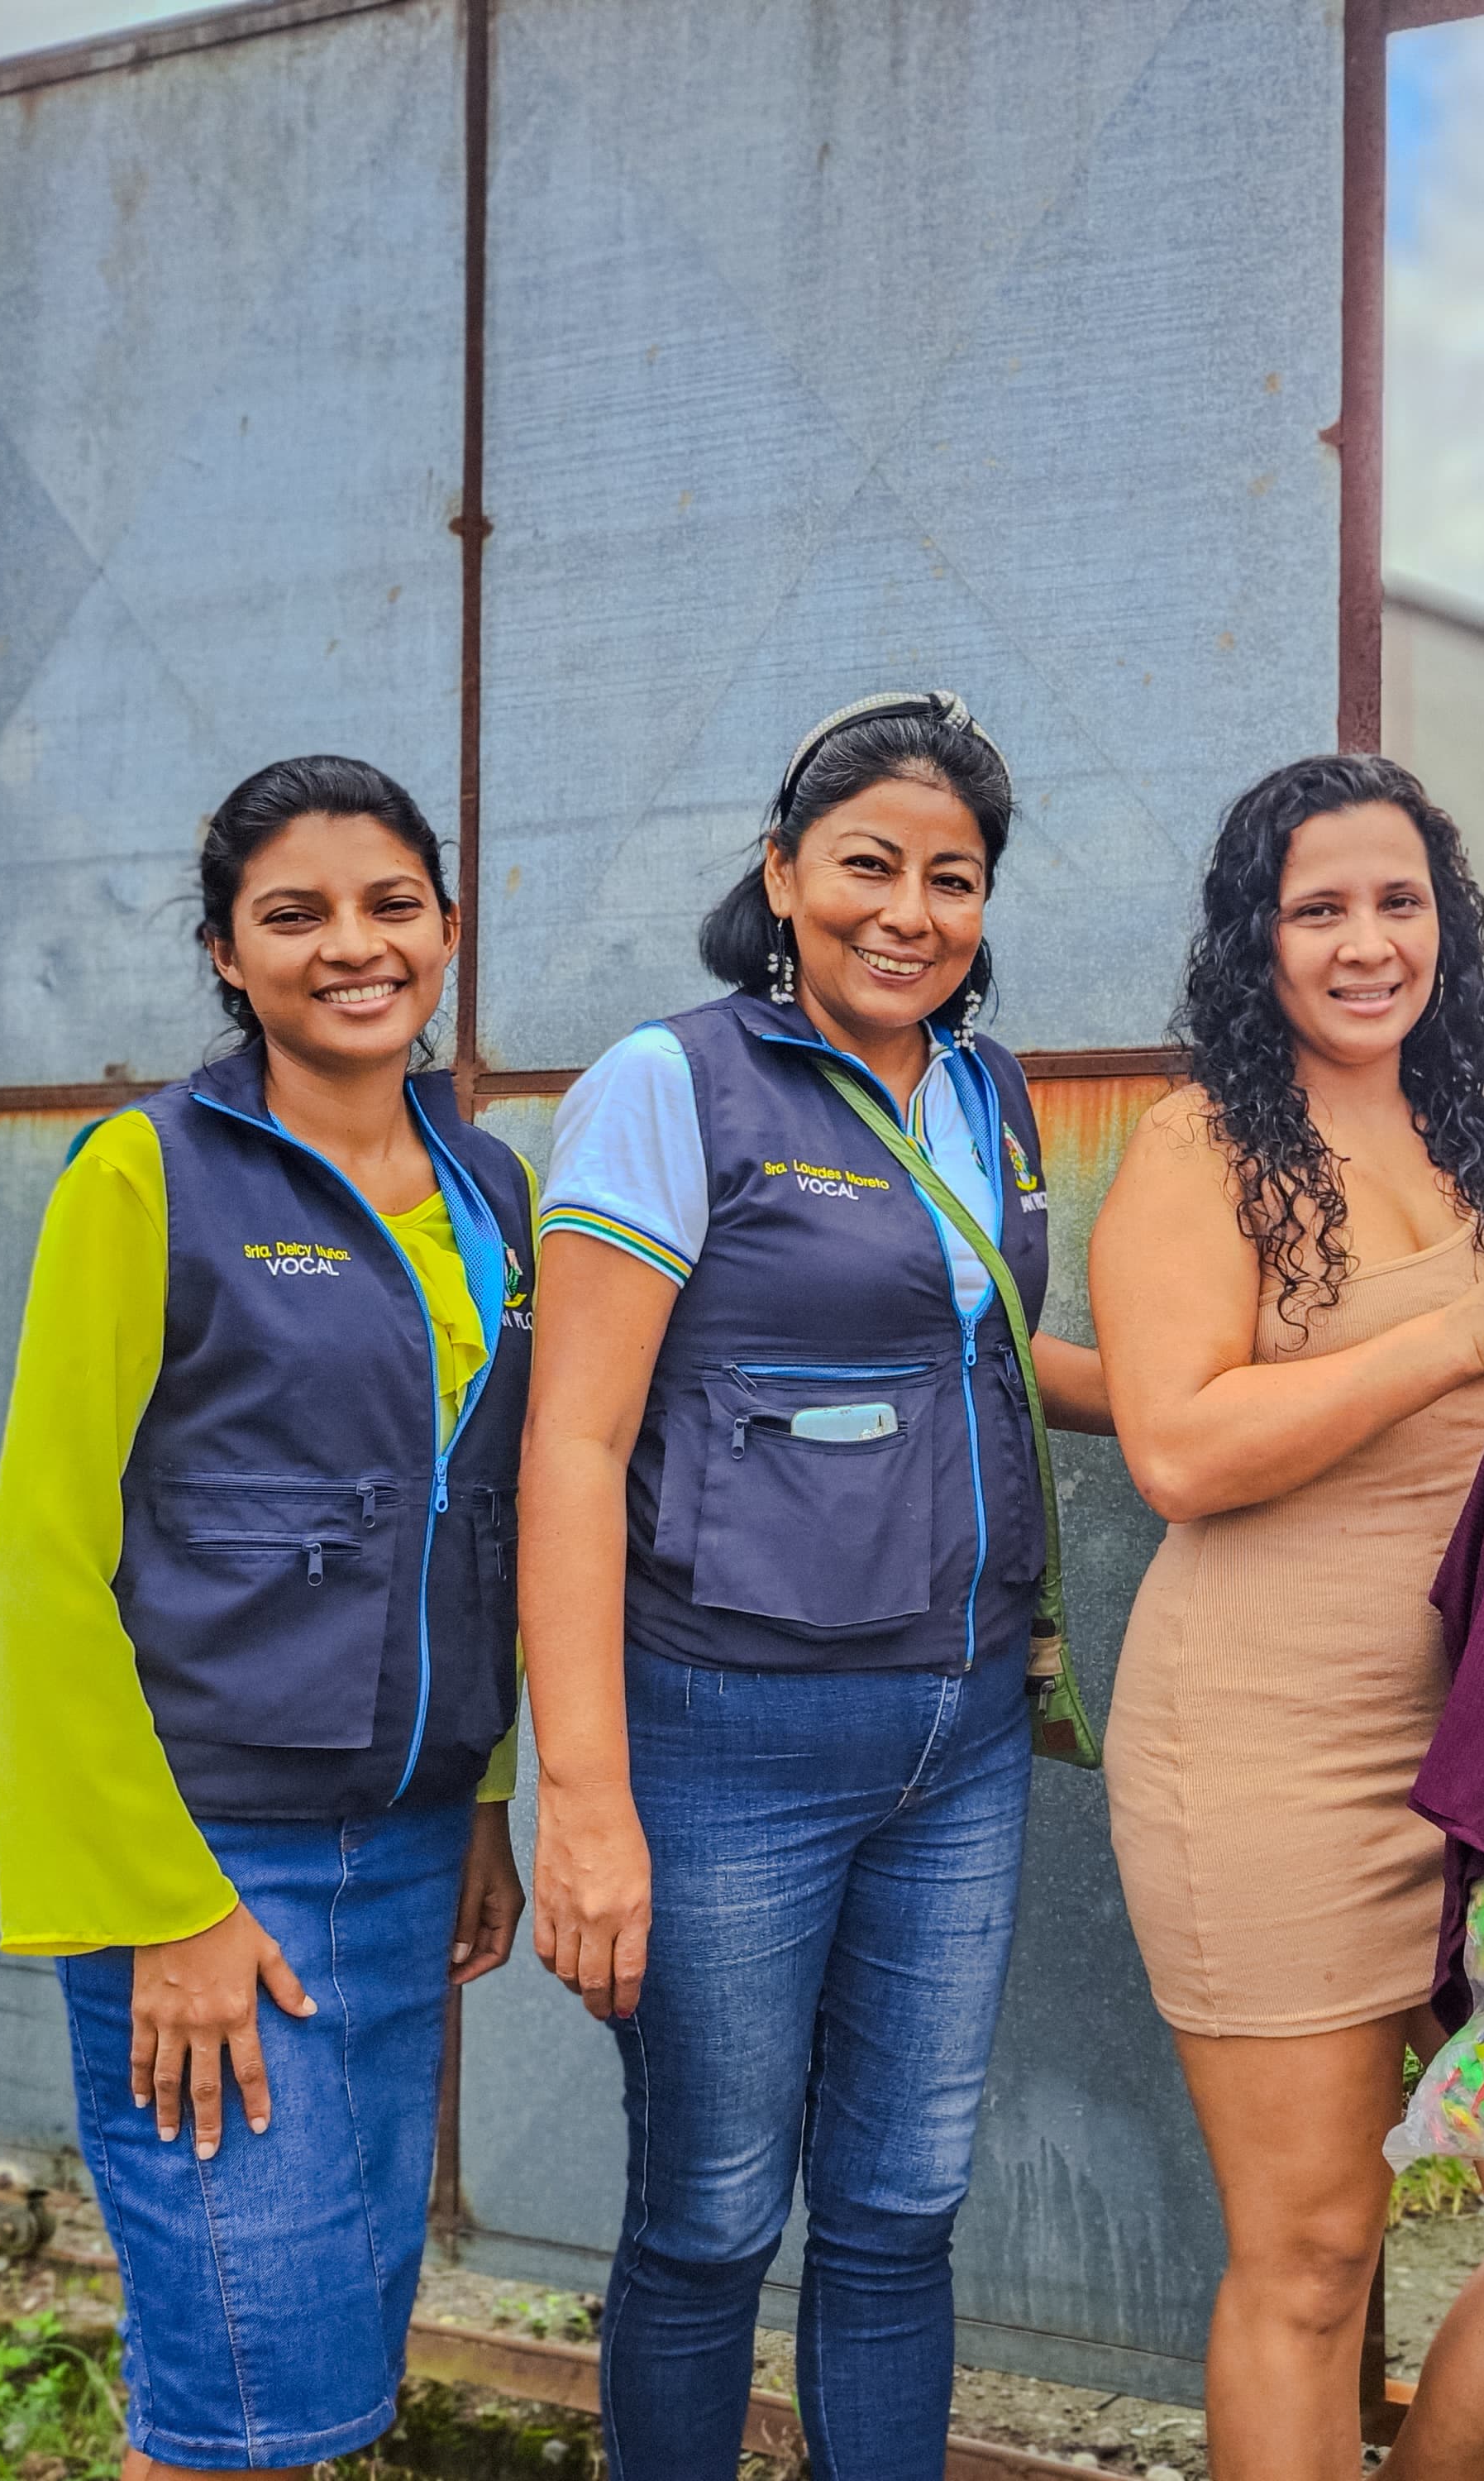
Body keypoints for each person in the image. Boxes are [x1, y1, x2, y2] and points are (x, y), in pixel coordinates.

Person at [517, 692, 1111, 2481]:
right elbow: (572, 1445)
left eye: (954, 878)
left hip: (964, 1734)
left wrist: (1240, 1403)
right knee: (708, 2214)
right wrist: (584, 1800)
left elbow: (980, 1346)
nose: (909, 913)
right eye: (868, 865)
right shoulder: (670, 1085)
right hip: (726, 1738)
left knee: (902, 2208)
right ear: (780, 875)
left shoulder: (986, 1091)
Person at [1092, 753, 1484, 2481]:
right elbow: (1177, 1449)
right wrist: (1456, 1336)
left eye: (1399, 901)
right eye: (1320, 910)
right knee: (1310, 2259)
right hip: (1265, 1755)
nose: (1368, 944)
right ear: (1255, 938)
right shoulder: (1202, 1145)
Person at [0, 754, 533, 2479]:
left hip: (410, 1848)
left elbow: (483, 1518)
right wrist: (163, 1906)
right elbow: (40, 1563)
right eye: (295, 915)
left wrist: (489, 1797)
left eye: (390, 905)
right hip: (216, 1864)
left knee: (321, 2370)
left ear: (447, 927)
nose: (352, 946)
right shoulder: (146, 1174)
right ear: (227, 953)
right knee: (236, 2393)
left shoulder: (493, 1189)